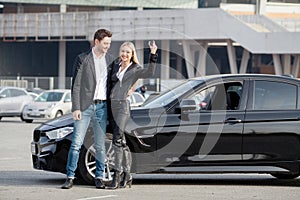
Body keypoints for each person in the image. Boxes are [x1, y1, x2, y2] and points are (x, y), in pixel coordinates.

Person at [61, 29, 114, 189]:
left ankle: (99, 177)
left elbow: (117, 81)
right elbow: (76, 85)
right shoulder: (82, 58)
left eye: (109, 44)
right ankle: (70, 176)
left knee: (99, 145)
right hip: (84, 107)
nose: (107, 47)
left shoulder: (110, 60)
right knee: (76, 143)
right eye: (105, 43)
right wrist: (75, 107)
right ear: (97, 42)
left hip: (102, 107)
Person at [107, 41, 158, 189]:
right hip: (111, 106)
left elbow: (150, 72)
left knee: (116, 140)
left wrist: (153, 54)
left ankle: (117, 176)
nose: (124, 54)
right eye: (123, 51)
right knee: (121, 141)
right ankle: (128, 175)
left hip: (123, 106)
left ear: (132, 54)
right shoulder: (115, 66)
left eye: (127, 52)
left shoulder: (135, 68)